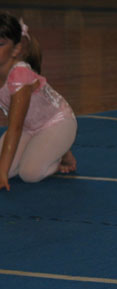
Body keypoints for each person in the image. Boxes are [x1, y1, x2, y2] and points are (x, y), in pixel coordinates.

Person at [0, 12, 76, 192]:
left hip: (56, 123)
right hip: (28, 128)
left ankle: (60, 154)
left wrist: (2, 172)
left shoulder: (19, 76)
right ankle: (48, 148)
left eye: (0, 44)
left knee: (30, 174)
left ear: (16, 49)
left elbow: (15, 128)